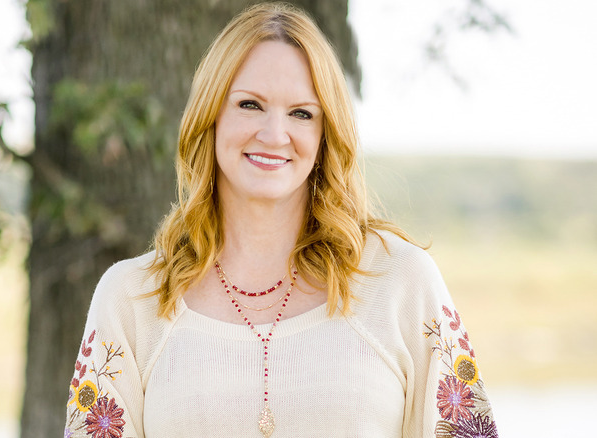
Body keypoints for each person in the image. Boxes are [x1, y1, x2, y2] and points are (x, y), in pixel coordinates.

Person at [64, 2, 499, 437]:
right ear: (210, 115)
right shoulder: (131, 299)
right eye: (250, 104)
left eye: (302, 113)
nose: (274, 135)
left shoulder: (400, 282)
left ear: (325, 133)